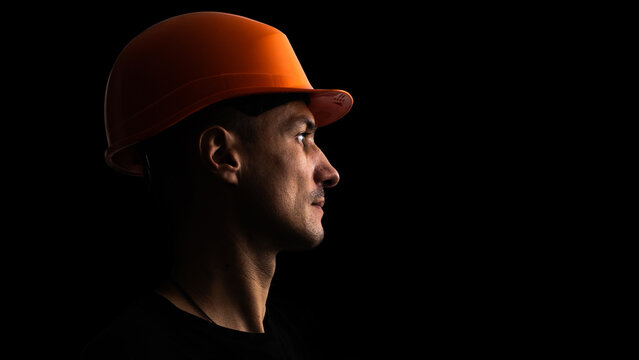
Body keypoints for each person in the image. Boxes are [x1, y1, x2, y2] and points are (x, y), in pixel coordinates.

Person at [82, 12, 353, 359]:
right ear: (223, 155)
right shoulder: (127, 358)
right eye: (302, 135)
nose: (330, 172)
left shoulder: (305, 341)